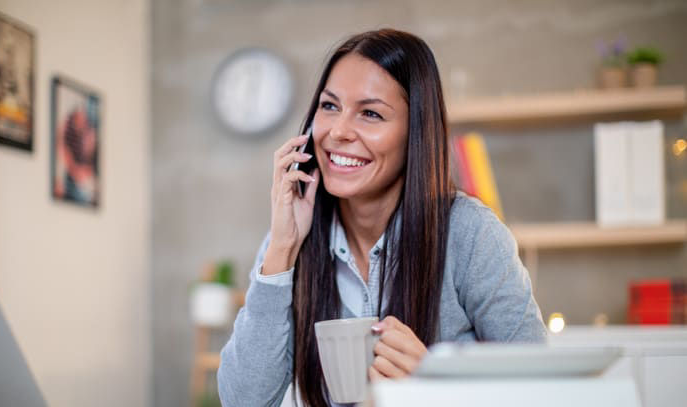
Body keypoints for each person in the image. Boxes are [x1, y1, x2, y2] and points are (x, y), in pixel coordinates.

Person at [217, 28, 546, 407]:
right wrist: (282, 249)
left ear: (415, 133)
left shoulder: (470, 234)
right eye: (329, 106)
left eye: (370, 113)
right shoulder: (289, 241)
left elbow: (538, 391)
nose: (338, 132)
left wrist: (437, 391)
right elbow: (244, 401)